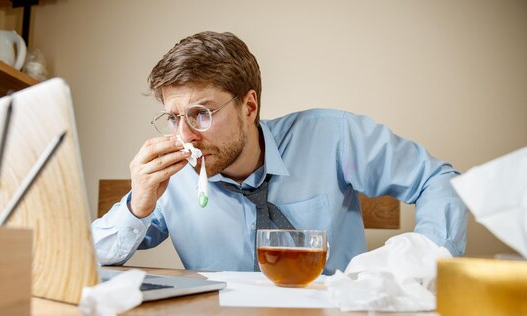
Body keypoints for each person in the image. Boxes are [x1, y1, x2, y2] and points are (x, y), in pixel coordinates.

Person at [91, 31, 467, 275]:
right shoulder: (170, 181)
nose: (186, 136)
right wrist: (135, 208)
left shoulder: (334, 138)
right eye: (173, 118)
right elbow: (92, 259)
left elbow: (437, 179)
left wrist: (424, 257)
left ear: (249, 106)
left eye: (201, 114)